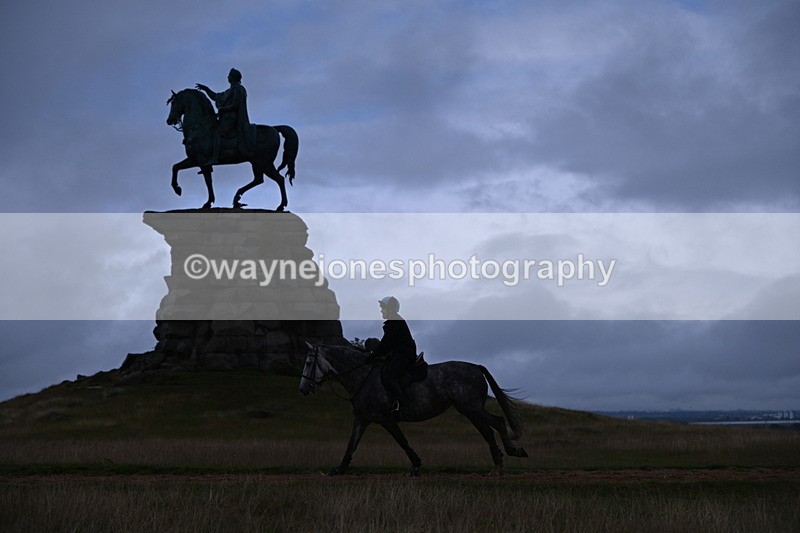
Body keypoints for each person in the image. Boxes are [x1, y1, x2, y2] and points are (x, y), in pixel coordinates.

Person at [370, 296, 417, 413]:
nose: (381, 310)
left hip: (404, 354)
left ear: (390, 308)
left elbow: (387, 342)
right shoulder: (393, 322)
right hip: (399, 353)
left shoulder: (395, 322)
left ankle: (402, 404)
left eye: (383, 308)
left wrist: (374, 353)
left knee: (388, 376)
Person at [195, 68, 255, 158]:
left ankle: (214, 157)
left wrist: (222, 109)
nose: (228, 77)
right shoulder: (228, 91)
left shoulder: (239, 89)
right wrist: (206, 89)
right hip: (226, 118)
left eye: (229, 76)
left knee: (216, 131)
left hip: (232, 119)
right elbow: (216, 96)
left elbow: (235, 105)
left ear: (233, 78)